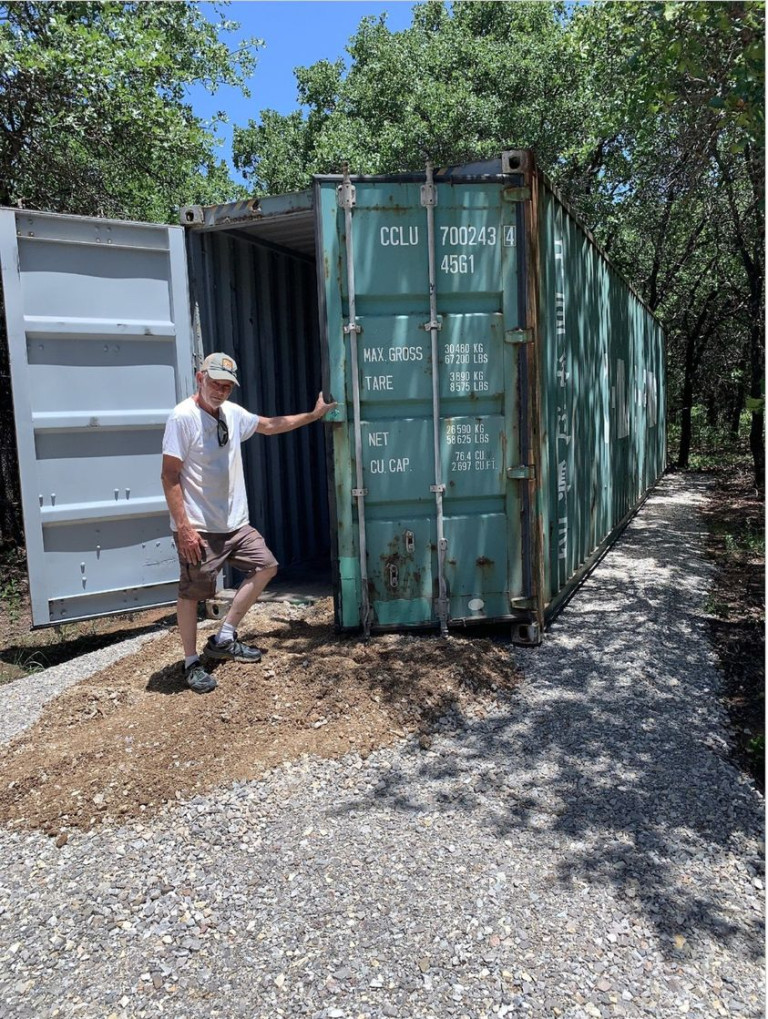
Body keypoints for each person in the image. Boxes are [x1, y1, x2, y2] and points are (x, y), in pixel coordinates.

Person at [161, 352, 336, 694]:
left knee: (265, 566)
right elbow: (169, 476)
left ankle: (224, 637)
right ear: (200, 378)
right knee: (193, 593)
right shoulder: (182, 418)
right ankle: (191, 662)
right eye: (215, 383)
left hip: (236, 523)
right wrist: (184, 528)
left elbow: (270, 425)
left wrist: (314, 416)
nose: (221, 391)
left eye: (227, 386)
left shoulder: (232, 414)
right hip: (199, 527)